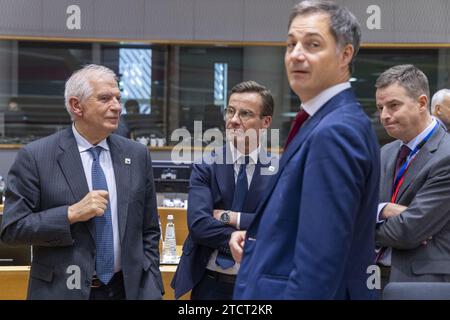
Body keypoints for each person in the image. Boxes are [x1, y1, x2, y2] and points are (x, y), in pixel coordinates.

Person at [230, 0, 380, 299]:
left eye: (312, 44)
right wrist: (265, 238)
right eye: (290, 44)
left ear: (345, 54)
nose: (296, 54)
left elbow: (320, 263)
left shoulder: (336, 131)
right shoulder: (322, 120)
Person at [0, 64, 164, 300]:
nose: (117, 106)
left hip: (125, 291)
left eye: (118, 98)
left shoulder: (137, 155)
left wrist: (151, 287)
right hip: (61, 291)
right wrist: (70, 213)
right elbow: (12, 228)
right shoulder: (37, 156)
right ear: (77, 106)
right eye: (105, 98)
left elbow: (149, 230)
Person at [171, 81, 277, 300]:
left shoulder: (280, 170)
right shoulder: (206, 166)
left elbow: (278, 224)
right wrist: (245, 234)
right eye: (230, 111)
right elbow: (199, 225)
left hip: (259, 286)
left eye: (245, 114)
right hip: (210, 285)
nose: (234, 121)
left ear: (266, 122)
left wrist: (231, 217)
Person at [375, 64, 450, 284]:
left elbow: (408, 231)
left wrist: (361, 224)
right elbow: (354, 207)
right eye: (380, 108)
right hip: (372, 277)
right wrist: (383, 209)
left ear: (422, 103)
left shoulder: (446, 156)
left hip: (420, 282)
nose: (384, 116)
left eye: (393, 105)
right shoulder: (385, 153)